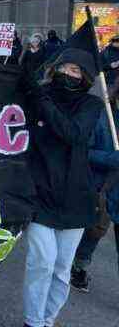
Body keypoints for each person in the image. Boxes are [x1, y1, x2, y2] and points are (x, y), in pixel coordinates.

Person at [22, 49, 103, 327]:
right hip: (38, 194)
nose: (68, 74)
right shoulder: (37, 96)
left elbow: (73, 133)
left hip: (74, 198)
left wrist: (42, 100)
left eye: (76, 71)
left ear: (86, 78)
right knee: (41, 262)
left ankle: (48, 319)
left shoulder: (92, 105)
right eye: (64, 68)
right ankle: (33, 322)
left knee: (60, 269)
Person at [69, 79, 119, 293]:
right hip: (100, 187)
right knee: (95, 229)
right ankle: (78, 266)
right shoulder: (101, 115)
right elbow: (83, 151)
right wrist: (111, 158)